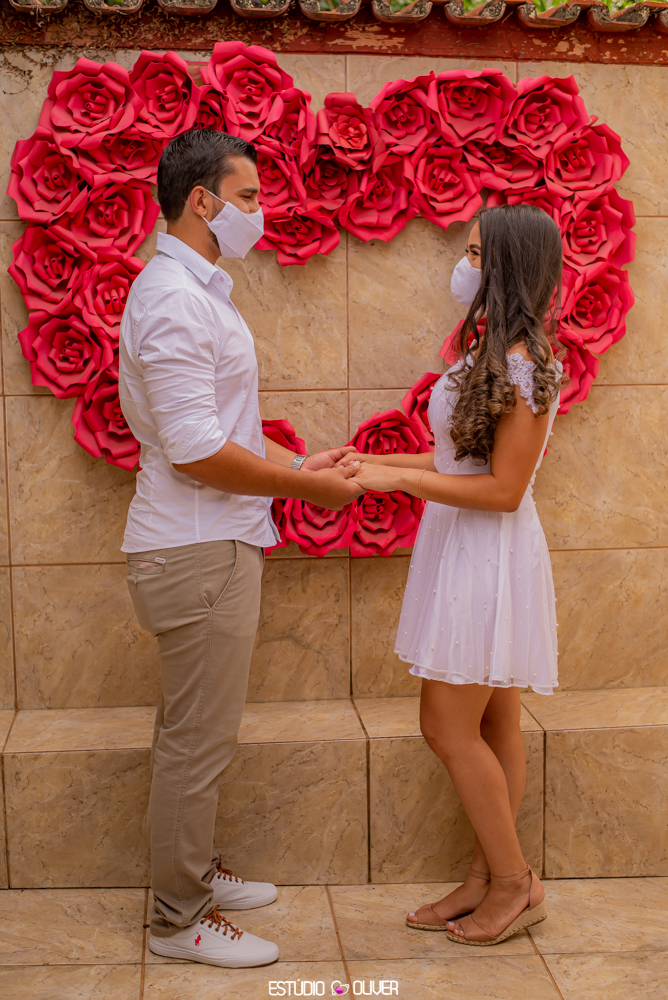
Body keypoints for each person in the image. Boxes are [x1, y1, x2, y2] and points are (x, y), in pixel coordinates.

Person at [118, 128, 362, 969]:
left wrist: (298, 463)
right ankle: (179, 917)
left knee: (193, 732)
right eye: (250, 198)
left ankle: (194, 876)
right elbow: (192, 449)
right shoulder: (176, 299)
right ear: (203, 202)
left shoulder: (191, 291)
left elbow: (217, 432)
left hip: (207, 541)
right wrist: (307, 490)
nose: (261, 213)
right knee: (198, 740)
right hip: (197, 549)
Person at [342, 204, 563, 946]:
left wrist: (394, 481)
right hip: (460, 549)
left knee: (444, 725)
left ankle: (513, 884)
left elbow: (502, 491)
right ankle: (483, 878)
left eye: (473, 252)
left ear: (504, 267)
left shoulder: (527, 367)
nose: (461, 265)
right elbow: (453, 462)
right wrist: (360, 465)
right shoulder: (487, 356)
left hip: (488, 555)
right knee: (494, 720)